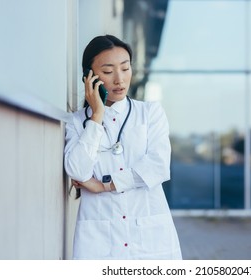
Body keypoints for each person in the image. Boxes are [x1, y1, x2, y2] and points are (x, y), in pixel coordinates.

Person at [64, 35, 182, 260]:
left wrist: (104, 185)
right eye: (108, 72)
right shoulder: (77, 123)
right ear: (89, 77)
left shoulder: (150, 114)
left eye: (125, 68)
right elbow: (77, 171)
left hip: (149, 235)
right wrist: (96, 117)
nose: (119, 79)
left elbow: (158, 167)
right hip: (99, 240)